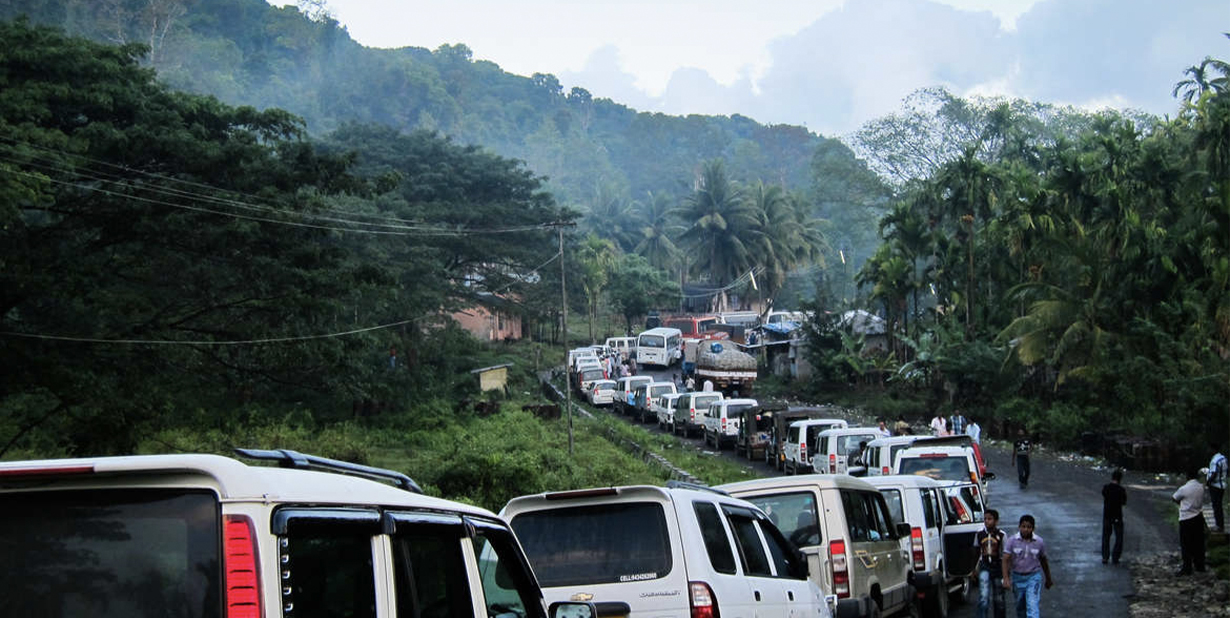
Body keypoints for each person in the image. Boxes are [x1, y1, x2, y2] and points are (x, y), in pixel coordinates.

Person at [1001, 514, 1053, 618]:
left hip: (1033, 577)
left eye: (1029, 527)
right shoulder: (1012, 541)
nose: (1026, 529)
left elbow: (1044, 561)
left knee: (1032, 605)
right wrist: (1006, 578)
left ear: (1033, 528)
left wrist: (1048, 578)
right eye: (1023, 526)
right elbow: (1005, 559)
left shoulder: (1039, 542)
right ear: (1019, 527)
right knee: (1020, 607)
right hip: (1017, 577)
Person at [1173, 467, 1206, 575]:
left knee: (1186, 544)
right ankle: (1199, 565)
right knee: (1198, 543)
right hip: (1198, 516)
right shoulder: (1201, 487)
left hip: (1186, 518)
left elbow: (1175, 498)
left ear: (1187, 477)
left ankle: (1187, 567)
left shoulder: (1184, 488)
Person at [975, 509, 1006, 618]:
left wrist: (1006, 574)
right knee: (983, 597)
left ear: (996, 521)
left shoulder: (1001, 535)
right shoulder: (980, 534)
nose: (987, 521)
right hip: (984, 567)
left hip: (998, 568)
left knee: (999, 598)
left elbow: (1005, 555)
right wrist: (974, 568)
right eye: (985, 519)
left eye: (990, 519)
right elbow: (975, 551)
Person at [1101, 469, 1127, 565]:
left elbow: (1104, 495)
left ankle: (1105, 557)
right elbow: (1124, 502)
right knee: (1119, 537)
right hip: (1117, 516)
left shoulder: (1106, 488)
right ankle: (1115, 557)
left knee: (1106, 537)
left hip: (1107, 515)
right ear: (1120, 479)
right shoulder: (1121, 490)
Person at [1207, 442, 1226, 533]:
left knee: (1216, 506)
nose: (1208, 451)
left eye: (1209, 449)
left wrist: (1208, 482)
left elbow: (1214, 473)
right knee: (1219, 506)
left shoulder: (1214, 460)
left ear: (1213, 449)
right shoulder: (1223, 458)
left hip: (1215, 486)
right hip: (1222, 485)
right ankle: (1220, 524)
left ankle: (1219, 526)